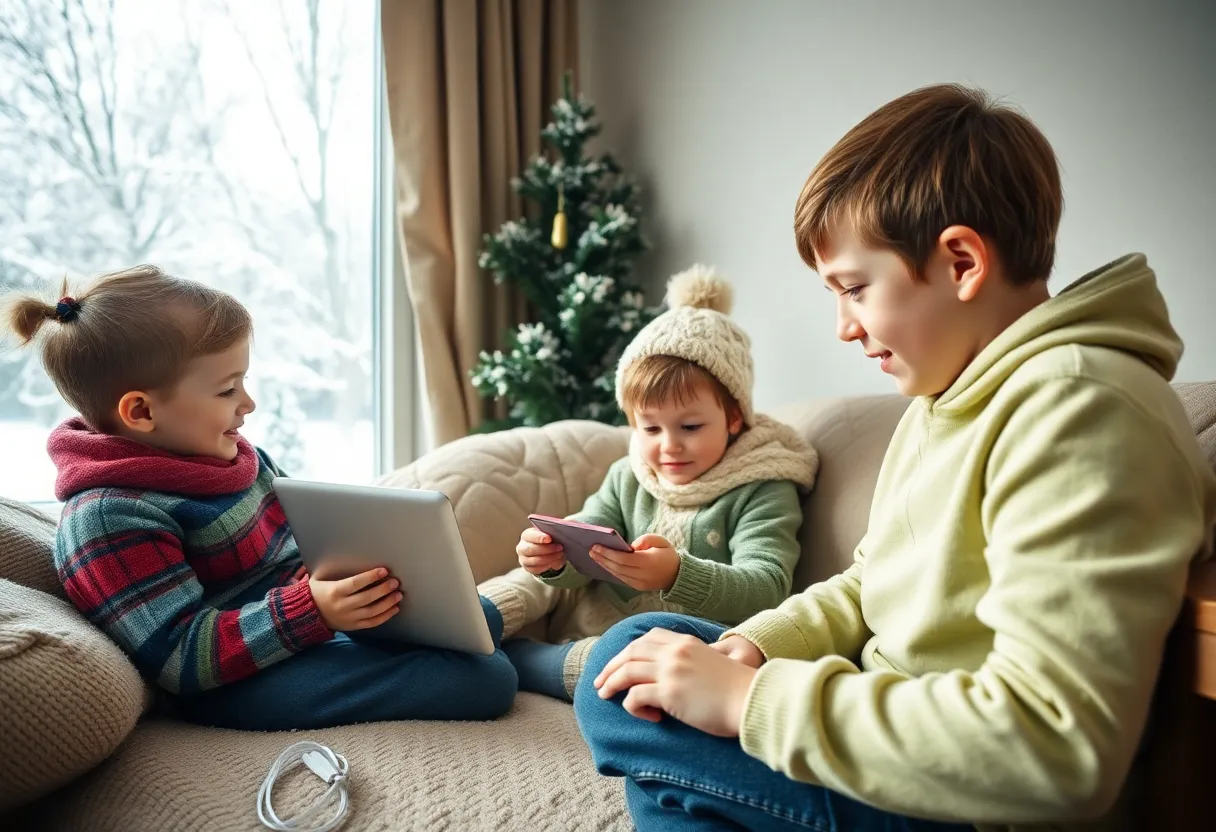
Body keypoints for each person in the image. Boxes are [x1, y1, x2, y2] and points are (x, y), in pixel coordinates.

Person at [574, 83, 1216, 831]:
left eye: (854, 289)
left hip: (960, 803)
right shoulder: (946, 399)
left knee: (620, 691)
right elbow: (871, 582)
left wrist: (749, 702)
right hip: (883, 735)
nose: (844, 328)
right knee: (636, 654)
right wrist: (753, 646)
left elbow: (1054, 745)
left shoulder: (1081, 409)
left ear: (962, 262)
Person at [2, 265, 518, 731]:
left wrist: (339, 578)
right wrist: (311, 609)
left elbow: (302, 540)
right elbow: (180, 659)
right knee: (484, 680)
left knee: (478, 618)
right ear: (140, 412)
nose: (248, 404)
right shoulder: (107, 518)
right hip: (229, 684)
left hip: (301, 623)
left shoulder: (231, 455)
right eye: (227, 390)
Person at [479, 266, 818, 701]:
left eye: (691, 426)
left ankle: (520, 662)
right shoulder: (630, 473)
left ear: (735, 418)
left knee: (636, 655)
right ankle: (472, 622)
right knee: (526, 580)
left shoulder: (764, 484)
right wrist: (552, 556)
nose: (669, 447)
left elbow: (767, 588)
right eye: (650, 429)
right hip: (590, 624)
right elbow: (585, 546)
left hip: (678, 652)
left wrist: (678, 573)